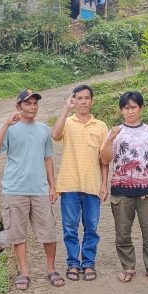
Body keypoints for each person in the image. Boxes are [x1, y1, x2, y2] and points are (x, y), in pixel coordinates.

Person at [0, 89, 65, 290]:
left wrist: (52, 186)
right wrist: (5, 124)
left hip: (39, 189)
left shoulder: (43, 129)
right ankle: (24, 272)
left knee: (48, 231)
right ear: (18, 106)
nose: (32, 107)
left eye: (34, 104)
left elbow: (48, 158)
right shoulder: (9, 129)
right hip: (14, 189)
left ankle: (51, 269)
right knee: (17, 233)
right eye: (27, 104)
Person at [100, 91, 148, 283]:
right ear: (121, 110)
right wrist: (109, 139)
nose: (130, 111)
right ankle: (128, 267)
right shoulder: (115, 132)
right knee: (123, 233)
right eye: (126, 108)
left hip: (147, 191)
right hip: (121, 192)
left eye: (134, 107)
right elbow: (105, 159)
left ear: (141, 108)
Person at [51, 84, 109, 282]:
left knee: (91, 227)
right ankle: (73, 263)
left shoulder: (100, 126)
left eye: (86, 98)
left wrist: (104, 184)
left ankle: (89, 263)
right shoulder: (67, 122)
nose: (83, 101)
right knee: (70, 227)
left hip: (92, 185)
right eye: (79, 98)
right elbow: (55, 135)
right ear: (73, 100)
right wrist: (66, 109)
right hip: (69, 185)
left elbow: (104, 159)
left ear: (92, 101)